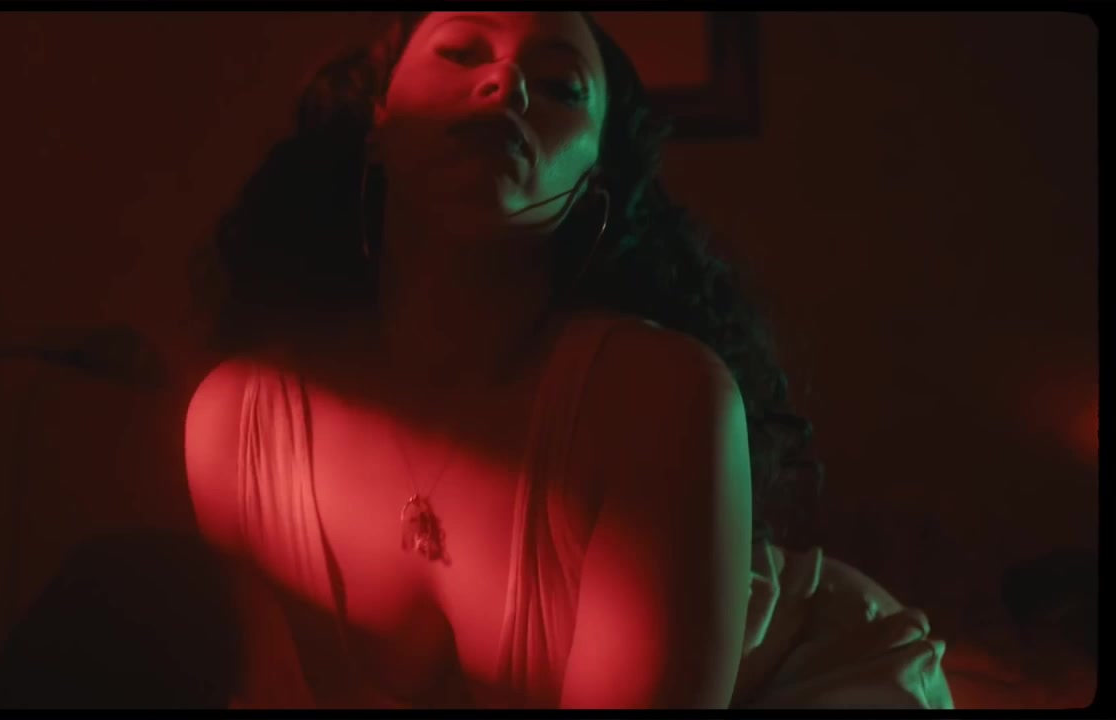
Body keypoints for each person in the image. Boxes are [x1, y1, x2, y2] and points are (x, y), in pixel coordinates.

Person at [185, 11, 952, 709]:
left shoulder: (664, 395)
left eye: (559, 86)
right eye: (461, 51)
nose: (506, 82)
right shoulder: (238, 422)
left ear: (593, 177)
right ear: (377, 123)